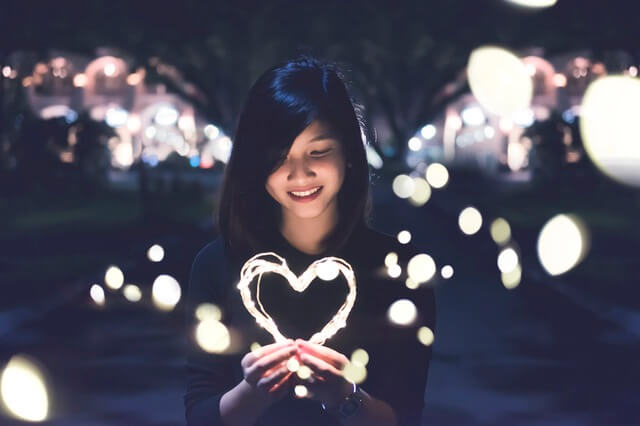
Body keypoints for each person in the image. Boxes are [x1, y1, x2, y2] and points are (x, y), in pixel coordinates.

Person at [184, 57, 436, 426]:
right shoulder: (216, 265)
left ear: (349, 153)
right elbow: (200, 415)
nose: (299, 174)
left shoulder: (399, 269)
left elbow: (406, 415)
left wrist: (344, 396)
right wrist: (253, 392)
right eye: (278, 157)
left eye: (318, 152)